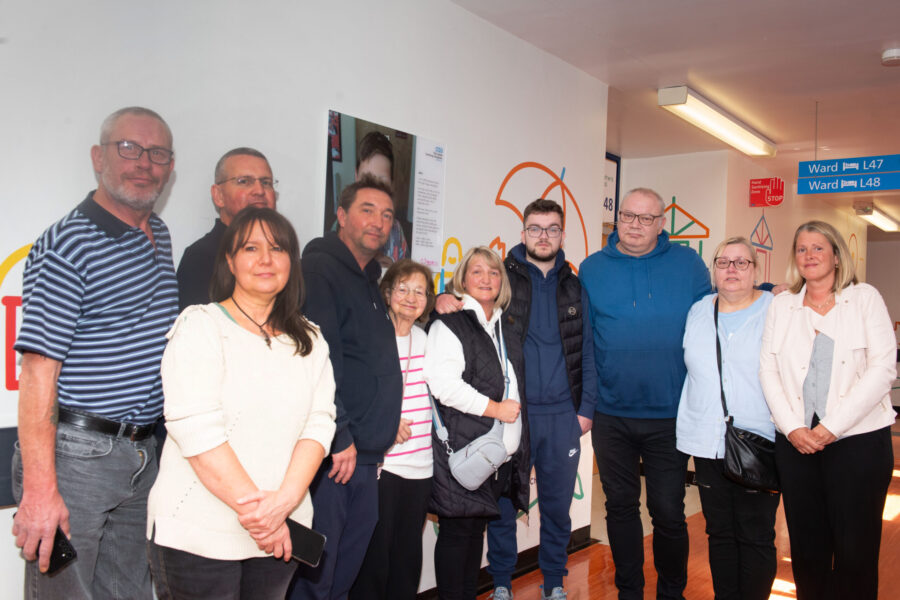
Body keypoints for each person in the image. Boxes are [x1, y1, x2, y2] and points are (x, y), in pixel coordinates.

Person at [11, 106, 177, 599]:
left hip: (143, 454)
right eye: (128, 148)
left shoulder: (159, 236)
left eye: (158, 153)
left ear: (170, 167)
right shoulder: (68, 243)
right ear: (97, 158)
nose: (143, 162)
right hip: (77, 458)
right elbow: (39, 371)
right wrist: (41, 492)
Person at [146, 207, 335, 599]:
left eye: (278, 249)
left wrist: (282, 506)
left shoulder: (311, 340)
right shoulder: (200, 326)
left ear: (292, 262)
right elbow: (196, 429)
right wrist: (264, 516)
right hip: (200, 532)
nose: (266, 259)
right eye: (251, 247)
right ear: (230, 261)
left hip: (281, 531)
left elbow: (319, 425)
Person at [436, 199, 598, 600]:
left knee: (558, 508)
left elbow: (589, 351)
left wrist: (586, 411)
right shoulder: (504, 278)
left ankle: (555, 583)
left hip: (563, 416)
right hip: (512, 416)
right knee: (504, 506)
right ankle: (504, 583)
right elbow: (472, 299)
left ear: (562, 234)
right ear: (523, 233)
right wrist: (441, 297)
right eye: (536, 228)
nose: (544, 236)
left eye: (552, 229)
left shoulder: (575, 286)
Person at [579, 187, 711, 600]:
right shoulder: (592, 268)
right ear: (618, 218)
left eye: (646, 218)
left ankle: (672, 592)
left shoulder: (688, 264)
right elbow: (578, 335)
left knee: (669, 511)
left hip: (669, 414)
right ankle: (629, 591)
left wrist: (766, 290)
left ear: (661, 224)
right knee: (619, 507)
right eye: (627, 216)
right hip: (611, 414)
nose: (635, 225)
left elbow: (717, 313)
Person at [759, 220, 896, 600]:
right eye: (802, 249)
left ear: (836, 256)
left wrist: (831, 427)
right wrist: (791, 428)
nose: (810, 255)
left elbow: (883, 368)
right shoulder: (782, 306)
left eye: (818, 248)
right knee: (807, 549)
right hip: (796, 443)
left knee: (856, 550)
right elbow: (767, 368)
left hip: (859, 442)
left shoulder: (864, 298)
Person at [289, 174, 403, 600]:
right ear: (341, 215)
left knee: (343, 573)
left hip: (365, 456)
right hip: (336, 455)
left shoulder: (370, 279)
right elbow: (320, 358)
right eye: (367, 210)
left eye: (387, 215)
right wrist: (339, 436)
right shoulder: (319, 270)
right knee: (316, 573)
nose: (378, 221)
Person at [425, 246, 531, 600]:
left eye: (494, 272)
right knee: (458, 536)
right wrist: (497, 410)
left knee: (473, 535)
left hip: (492, 456)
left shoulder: (503, 326)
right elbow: (443, 386)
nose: (486, 278)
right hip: (461, 447)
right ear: (462, 280)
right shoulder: (451, 323)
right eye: (477, 272)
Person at [676, 237, 779, 600]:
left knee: (754, 535)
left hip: (758, 441)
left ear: (757, 270)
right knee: (718, 533)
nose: (732, 269)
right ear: (713, 270)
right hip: (707, 443)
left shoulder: (776, 309)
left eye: (741, 262)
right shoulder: (699, 310)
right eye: (723, 262)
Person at [350, 259, 436, 600]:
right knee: (375, 557)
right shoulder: (371, 337)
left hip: (421, 466)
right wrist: (384, 423)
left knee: (407, 555)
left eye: (420, 291)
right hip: (383, 466)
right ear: (387, 293)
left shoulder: (426, 338)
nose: (411, 298)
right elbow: (353, 393)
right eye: (403, 289)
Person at [176, 147, 277, 310]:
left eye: (266, 183)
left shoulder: (282, 255)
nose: (259, 191)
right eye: (244, 181)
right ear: (218, 196)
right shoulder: (201, 258)